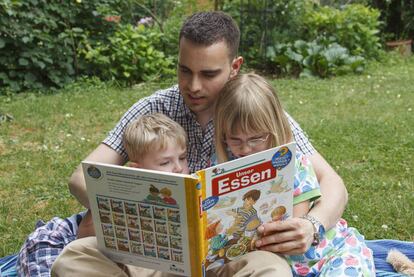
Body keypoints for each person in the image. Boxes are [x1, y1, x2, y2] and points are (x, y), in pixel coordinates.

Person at [52, 11, 347, 276]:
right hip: (157, 256)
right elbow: (82, 177)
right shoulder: (153, 108)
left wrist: (312, 225)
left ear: (234, 67)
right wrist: (144, 213)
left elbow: (332, 182)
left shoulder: (254, 113)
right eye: (184, 70)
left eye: (208, 74)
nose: (193, 86)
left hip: (228, 259)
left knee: (272, 270)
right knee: (73, 259)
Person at [213, 72, 375, 276]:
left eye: (256, 139)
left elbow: (295, 223)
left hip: (326, 253)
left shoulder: (295, 164)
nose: (245, 149)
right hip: (282, 265)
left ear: (274, 129)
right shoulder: (224, 170)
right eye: (235, 140)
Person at [16, 113, 188, 276]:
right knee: (67, 260)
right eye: (165, 162)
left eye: (182, 158)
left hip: (167, 264)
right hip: (93, 249)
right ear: (137, 170)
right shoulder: (124, 198)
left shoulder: (189, 189)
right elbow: (84, 240)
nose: (179, 168)